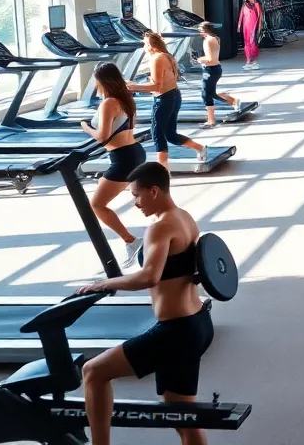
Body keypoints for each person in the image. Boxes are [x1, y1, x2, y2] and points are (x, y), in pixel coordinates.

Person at [78, 162, 215, 445]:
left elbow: (149, 277)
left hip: (176, 331)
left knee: (93, 372)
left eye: (136, 196)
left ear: (154, 191)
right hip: (198, 322)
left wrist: (105, 283)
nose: (136, 203)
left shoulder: (160, 226)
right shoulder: (185, 218)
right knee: (183, 417)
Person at [81, 62, 147, 267]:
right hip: (134, 152)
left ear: (103, 81)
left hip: (123, 159)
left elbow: (102, 137)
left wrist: (85, 127)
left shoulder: (109, 103)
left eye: (97, 81)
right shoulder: (126, 99)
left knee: (97, 205)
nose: (96, 84)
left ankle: (132, 241)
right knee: (143, 198)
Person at [129, 32, 209, 169]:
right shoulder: (167, 55)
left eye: (145, 44)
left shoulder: (156, 59)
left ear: (150, 45)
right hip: (174, 95)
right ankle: (200, 148)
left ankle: (163, 171)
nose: (143, 47)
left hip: (164, 99)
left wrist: (131, 87)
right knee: (170, 135)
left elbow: (156, 86)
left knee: (157, 134)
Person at [196, 22, 243, 128]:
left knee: (206, 95)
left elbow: (210, 59)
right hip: (215, 69)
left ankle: (211, 120)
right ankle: (233, 101)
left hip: (211, 69)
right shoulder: (215, 38)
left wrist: (200, 59)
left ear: (205, 30)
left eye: (200, 30)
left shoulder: (208, 40)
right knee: (210, 93)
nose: (199, 32)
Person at [237, 0, 263, 70]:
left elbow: (260, 17)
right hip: (246, 27)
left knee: (253, 44)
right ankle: (249, 60)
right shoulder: (245, 5)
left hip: (253, 28)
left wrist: (259, 28)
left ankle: (252, 60)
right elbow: (241, 15)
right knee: (247, 44)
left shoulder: (256, 5)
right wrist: (239, 26)